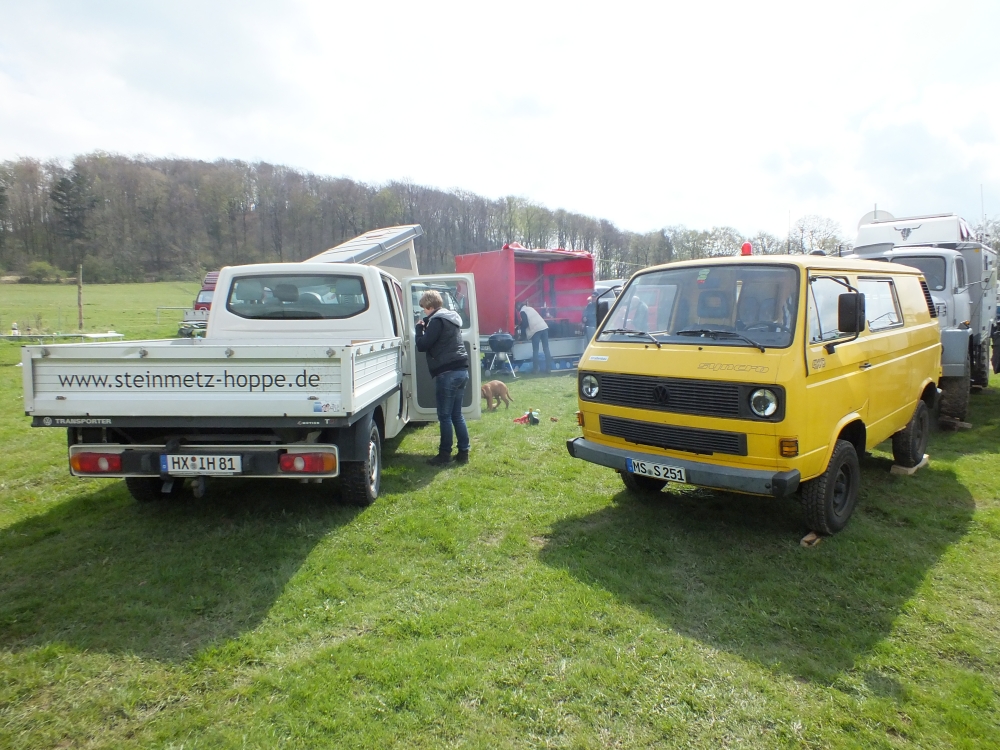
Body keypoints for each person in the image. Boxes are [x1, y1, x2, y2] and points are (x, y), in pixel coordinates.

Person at [415, 290, 471, 465]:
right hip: (461, 370)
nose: (424, 311)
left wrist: (419, 330)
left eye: (424, 308)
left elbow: (423, 345)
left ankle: (444, 454)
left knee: (445, 416)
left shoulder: (437, 321)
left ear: (430, 306)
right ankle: (463, 453)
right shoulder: (451, 319)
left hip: (447, 373)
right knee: (457, 415)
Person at [518, 301, 553, 374]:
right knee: (546, 349)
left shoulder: (522, 311)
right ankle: (548, 369)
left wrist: (522, 335)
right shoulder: (530, 308)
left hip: (536, 330)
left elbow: (525, 323)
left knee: (535, 350)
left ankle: (535, 370)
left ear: (518, 307)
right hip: (544, 327)